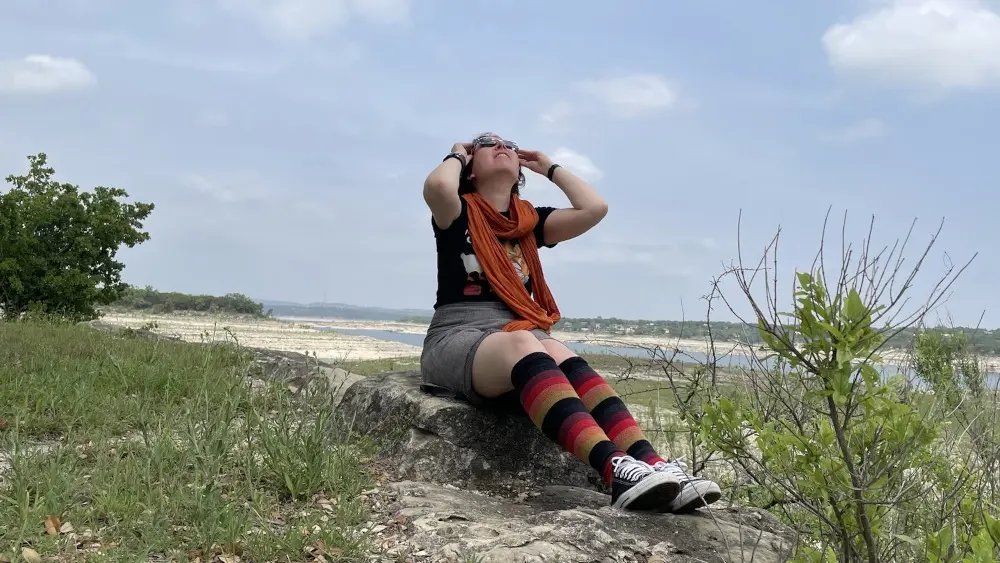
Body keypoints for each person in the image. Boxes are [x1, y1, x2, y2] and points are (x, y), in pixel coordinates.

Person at [419, 132, 722, 513]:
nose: (501, 146)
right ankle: (613, 469)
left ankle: (651, 464)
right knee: (528, 343)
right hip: (459, 335)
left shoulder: (529, 224)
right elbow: (438, 184)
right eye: (486, 142)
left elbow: (594, 208)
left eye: (509, 144)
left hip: (517, 332)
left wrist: (548, 166)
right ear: (471, 171)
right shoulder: (456, 211)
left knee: (555, 348)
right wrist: (457, 154)